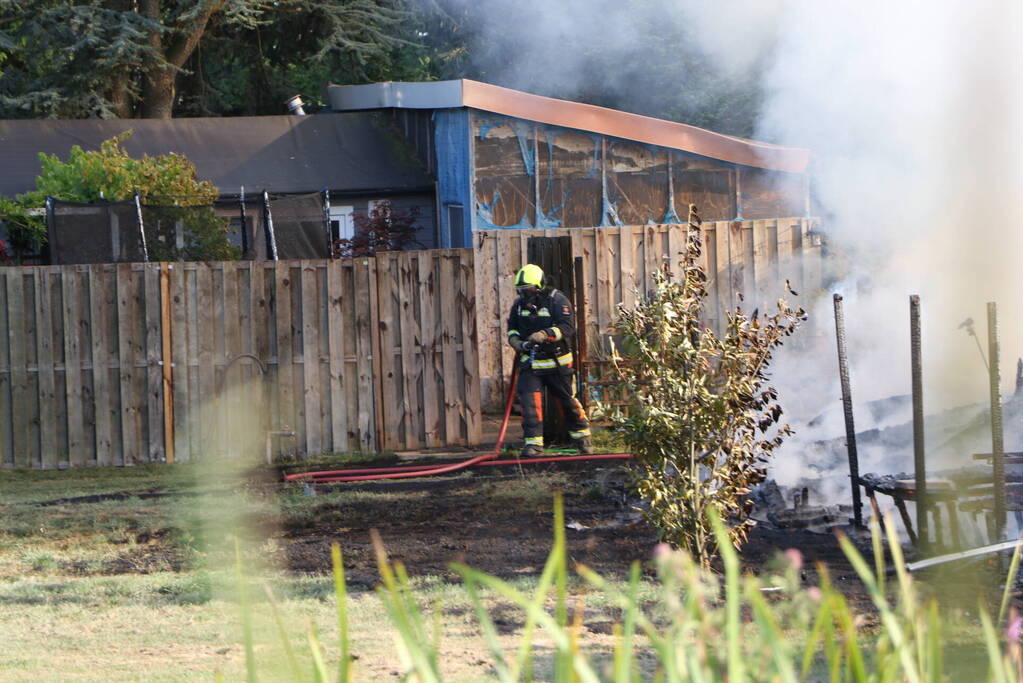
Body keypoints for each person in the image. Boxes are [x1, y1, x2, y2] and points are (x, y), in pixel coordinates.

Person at [506, 264, 592, 457]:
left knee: (567, 402)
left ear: (539, 286)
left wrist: (545, 334)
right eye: (520, 290)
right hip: (531, 363)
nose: (523, 295)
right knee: (530, 404)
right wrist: (516, 342)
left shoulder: (557, 301)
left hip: (557, 364)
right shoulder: (518, 306)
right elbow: (512, 328)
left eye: (527, 290)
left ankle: (583, 439)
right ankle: (533, 445)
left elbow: (567, 327)